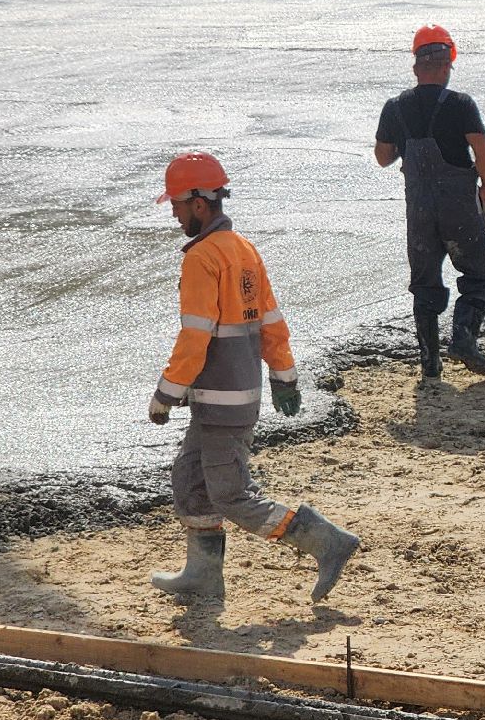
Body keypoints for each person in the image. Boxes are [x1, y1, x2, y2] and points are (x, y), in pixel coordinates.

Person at [147, 151, 359, 604]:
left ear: (199, 203)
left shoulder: (203, 258)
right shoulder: (243, 250)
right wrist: (284, 377)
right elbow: (271, 323)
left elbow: (195, 335)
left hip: (221, 400)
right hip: (231, 396)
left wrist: (166, 392)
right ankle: (203, 577)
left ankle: (325, 541)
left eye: (177, 206)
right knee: (190, 480)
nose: (174, 214)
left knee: (231, 495)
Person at [374, 25, 485, 379]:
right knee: (478, 277)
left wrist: (402, 141)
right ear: (447, 66)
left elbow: (383, 157)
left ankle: (430, 362)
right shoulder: (461, 104)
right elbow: (482, 150)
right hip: (459, 207)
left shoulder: (395, 108)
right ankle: (463, 337)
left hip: (419, 213)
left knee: (425, 284)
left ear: (416, 68)